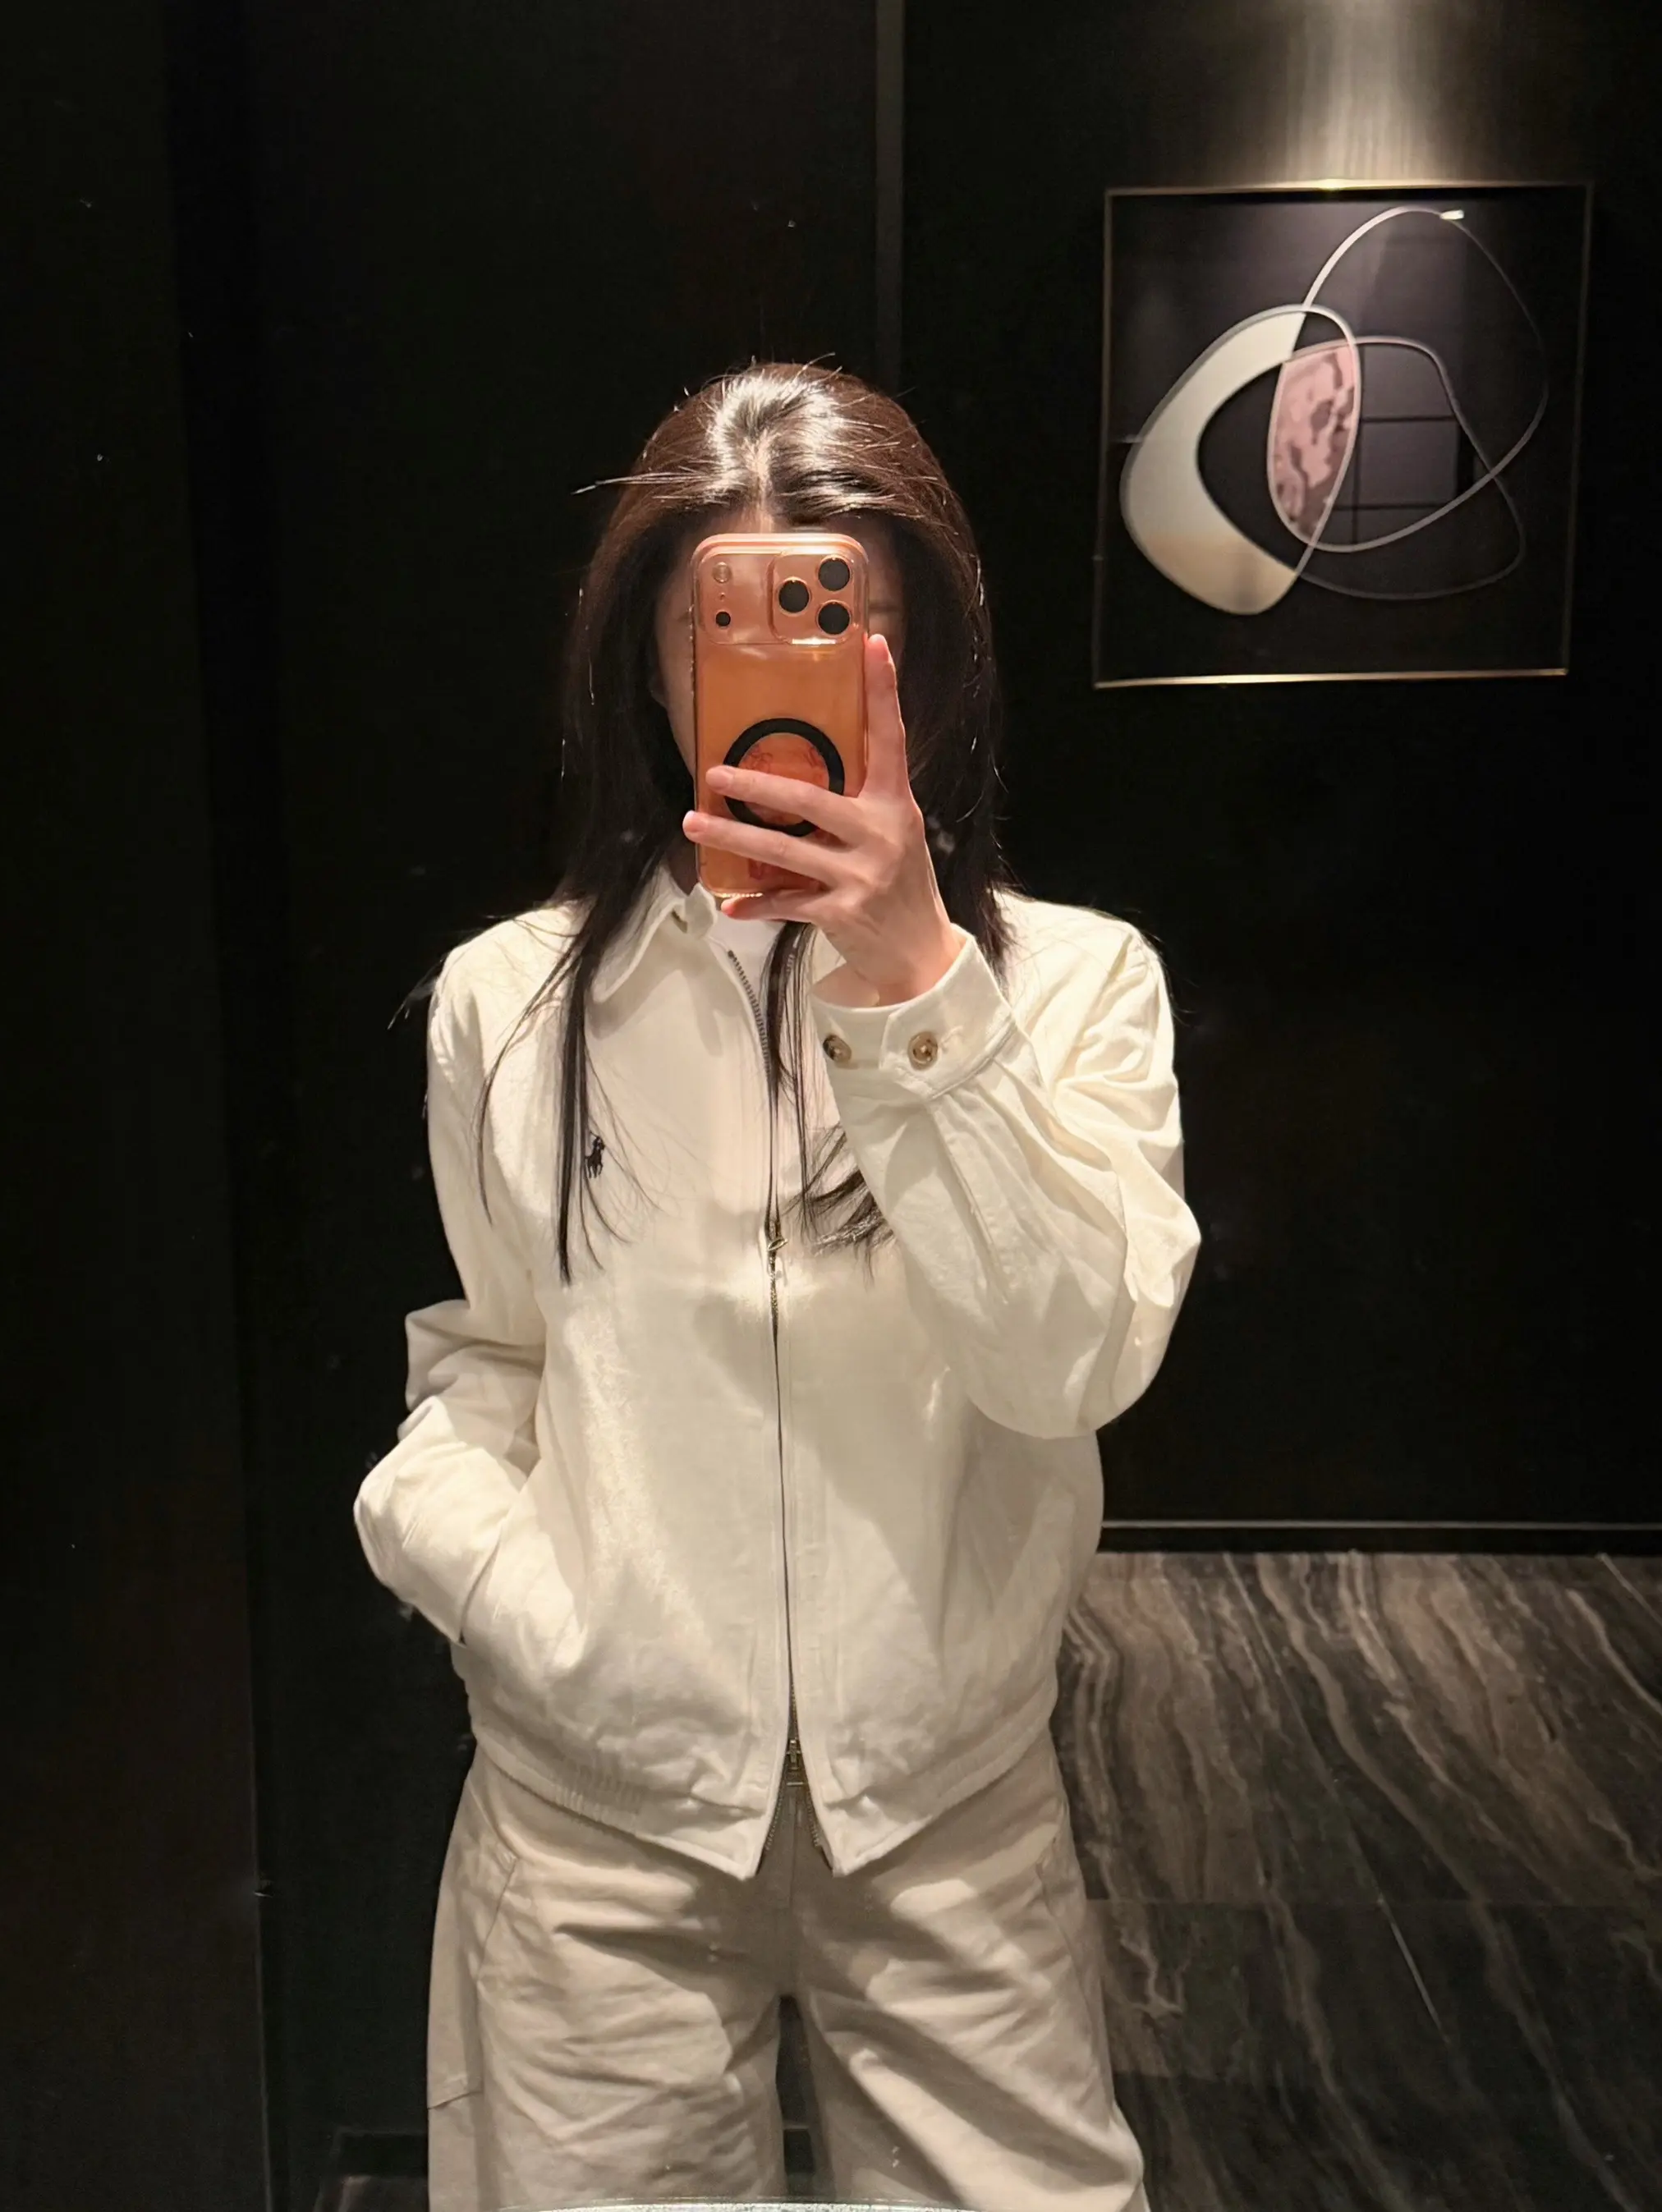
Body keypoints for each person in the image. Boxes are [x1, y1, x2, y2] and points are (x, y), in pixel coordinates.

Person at [355, 362, 1201, 2212]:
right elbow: (494, 1356)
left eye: (839, 620)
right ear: (651, 664)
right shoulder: (511, 1002)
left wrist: (917, 994)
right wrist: (516, 1602)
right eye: (715, 624)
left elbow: (1071, 1361)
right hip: (598, 1825)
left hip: (948, 1815)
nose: (774, 666)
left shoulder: (1075, 990)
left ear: (924, 654)